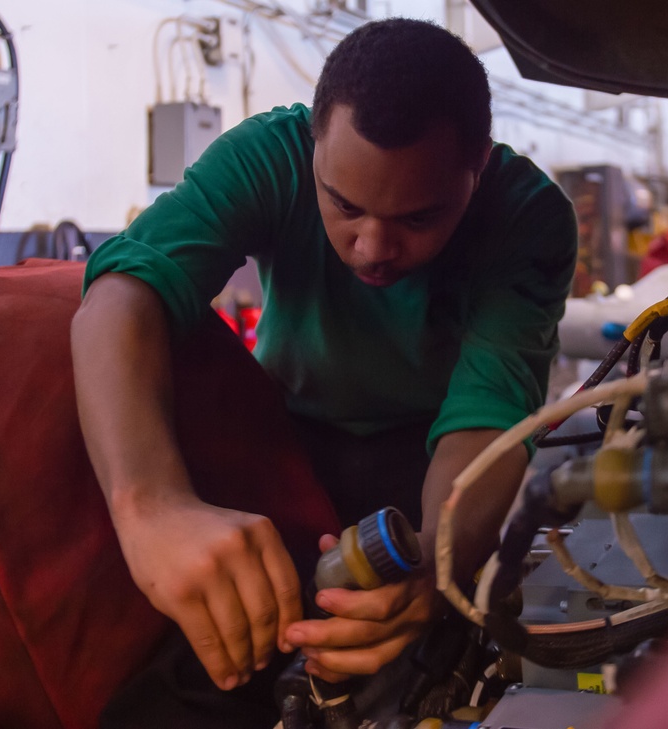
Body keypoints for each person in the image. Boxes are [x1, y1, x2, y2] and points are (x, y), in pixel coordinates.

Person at [71, 17, 577, 725]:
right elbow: (122, 295)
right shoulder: (267, 158)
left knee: (418, 663)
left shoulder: (527, 218)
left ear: (479, 167)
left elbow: (485, 420)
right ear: (314, 141)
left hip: (432, 465)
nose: (372, 246)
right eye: (344, 204)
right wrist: (151, 506)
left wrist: (435, 568)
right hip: (280, 443)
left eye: (419, 217)